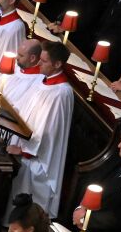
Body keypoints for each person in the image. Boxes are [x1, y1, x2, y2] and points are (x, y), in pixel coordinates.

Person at [7, 41, 74, 218]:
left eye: (44, 61)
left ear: (57, 64)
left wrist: (23, 150)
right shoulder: (42, 81)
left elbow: (49, 132)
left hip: (37, 157)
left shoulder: (61, 93)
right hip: (23, 144)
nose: (38, 64)